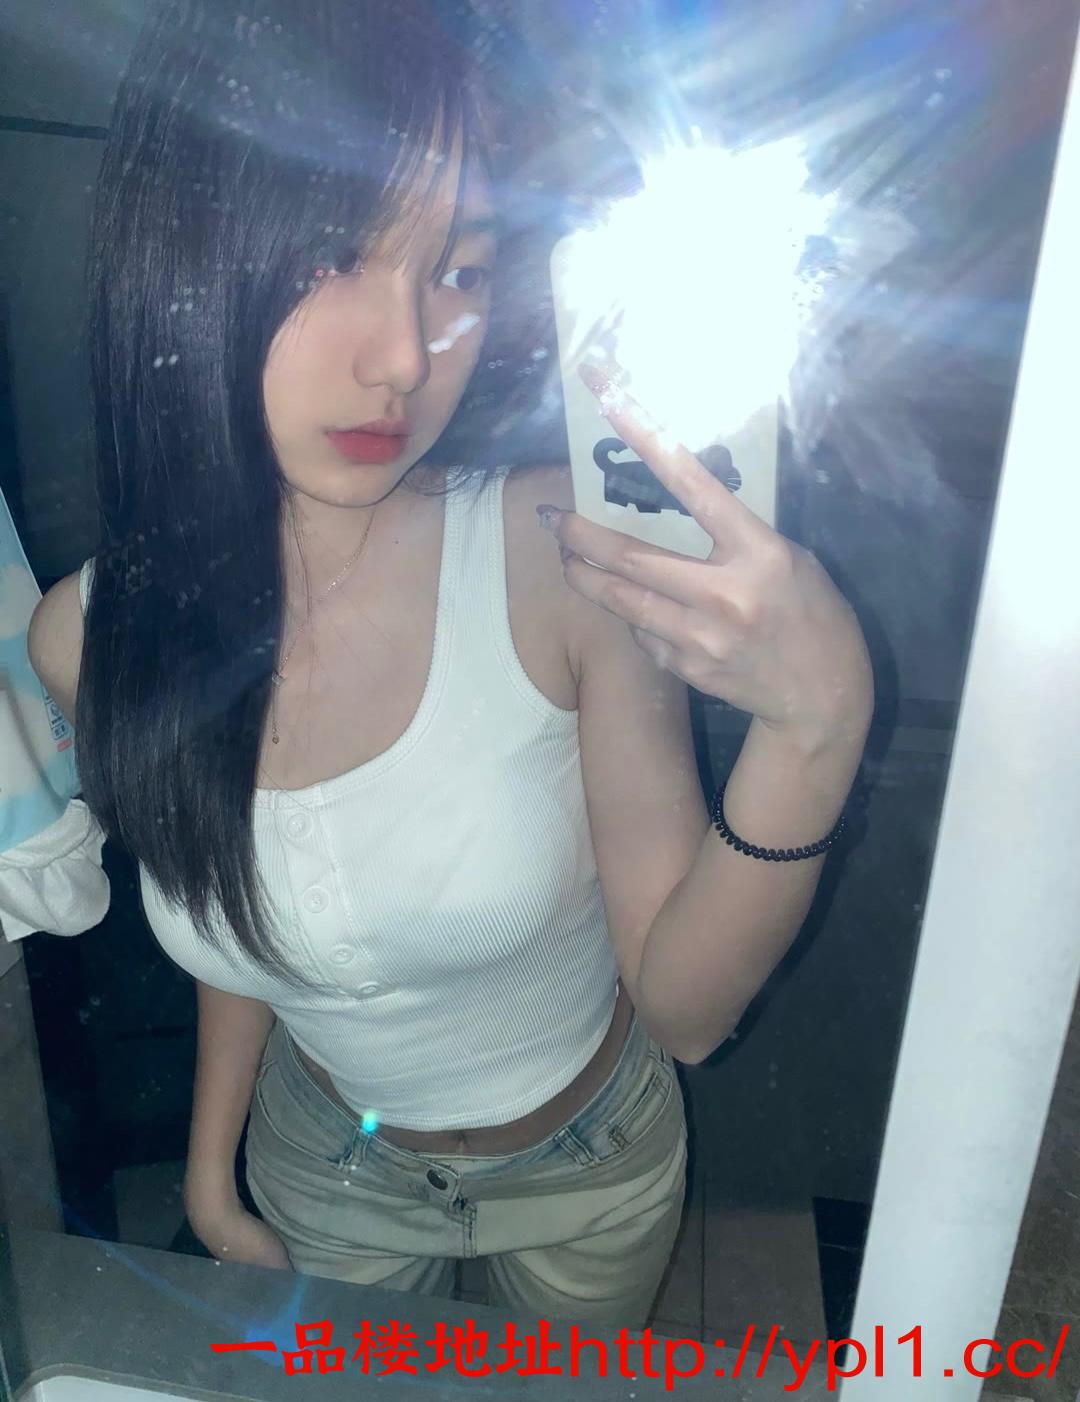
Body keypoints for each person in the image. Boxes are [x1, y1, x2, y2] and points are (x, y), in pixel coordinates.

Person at [3, 0, 873, 1328]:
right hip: (327, 1159)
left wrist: (815, 729)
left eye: (459, 270)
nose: (407, 354)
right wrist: (211, 1168)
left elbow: (686, 1012)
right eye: (333, 255)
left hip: (587, 1164)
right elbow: (235, 908)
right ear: (182, 253)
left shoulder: (554, 557)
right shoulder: (87, 640)